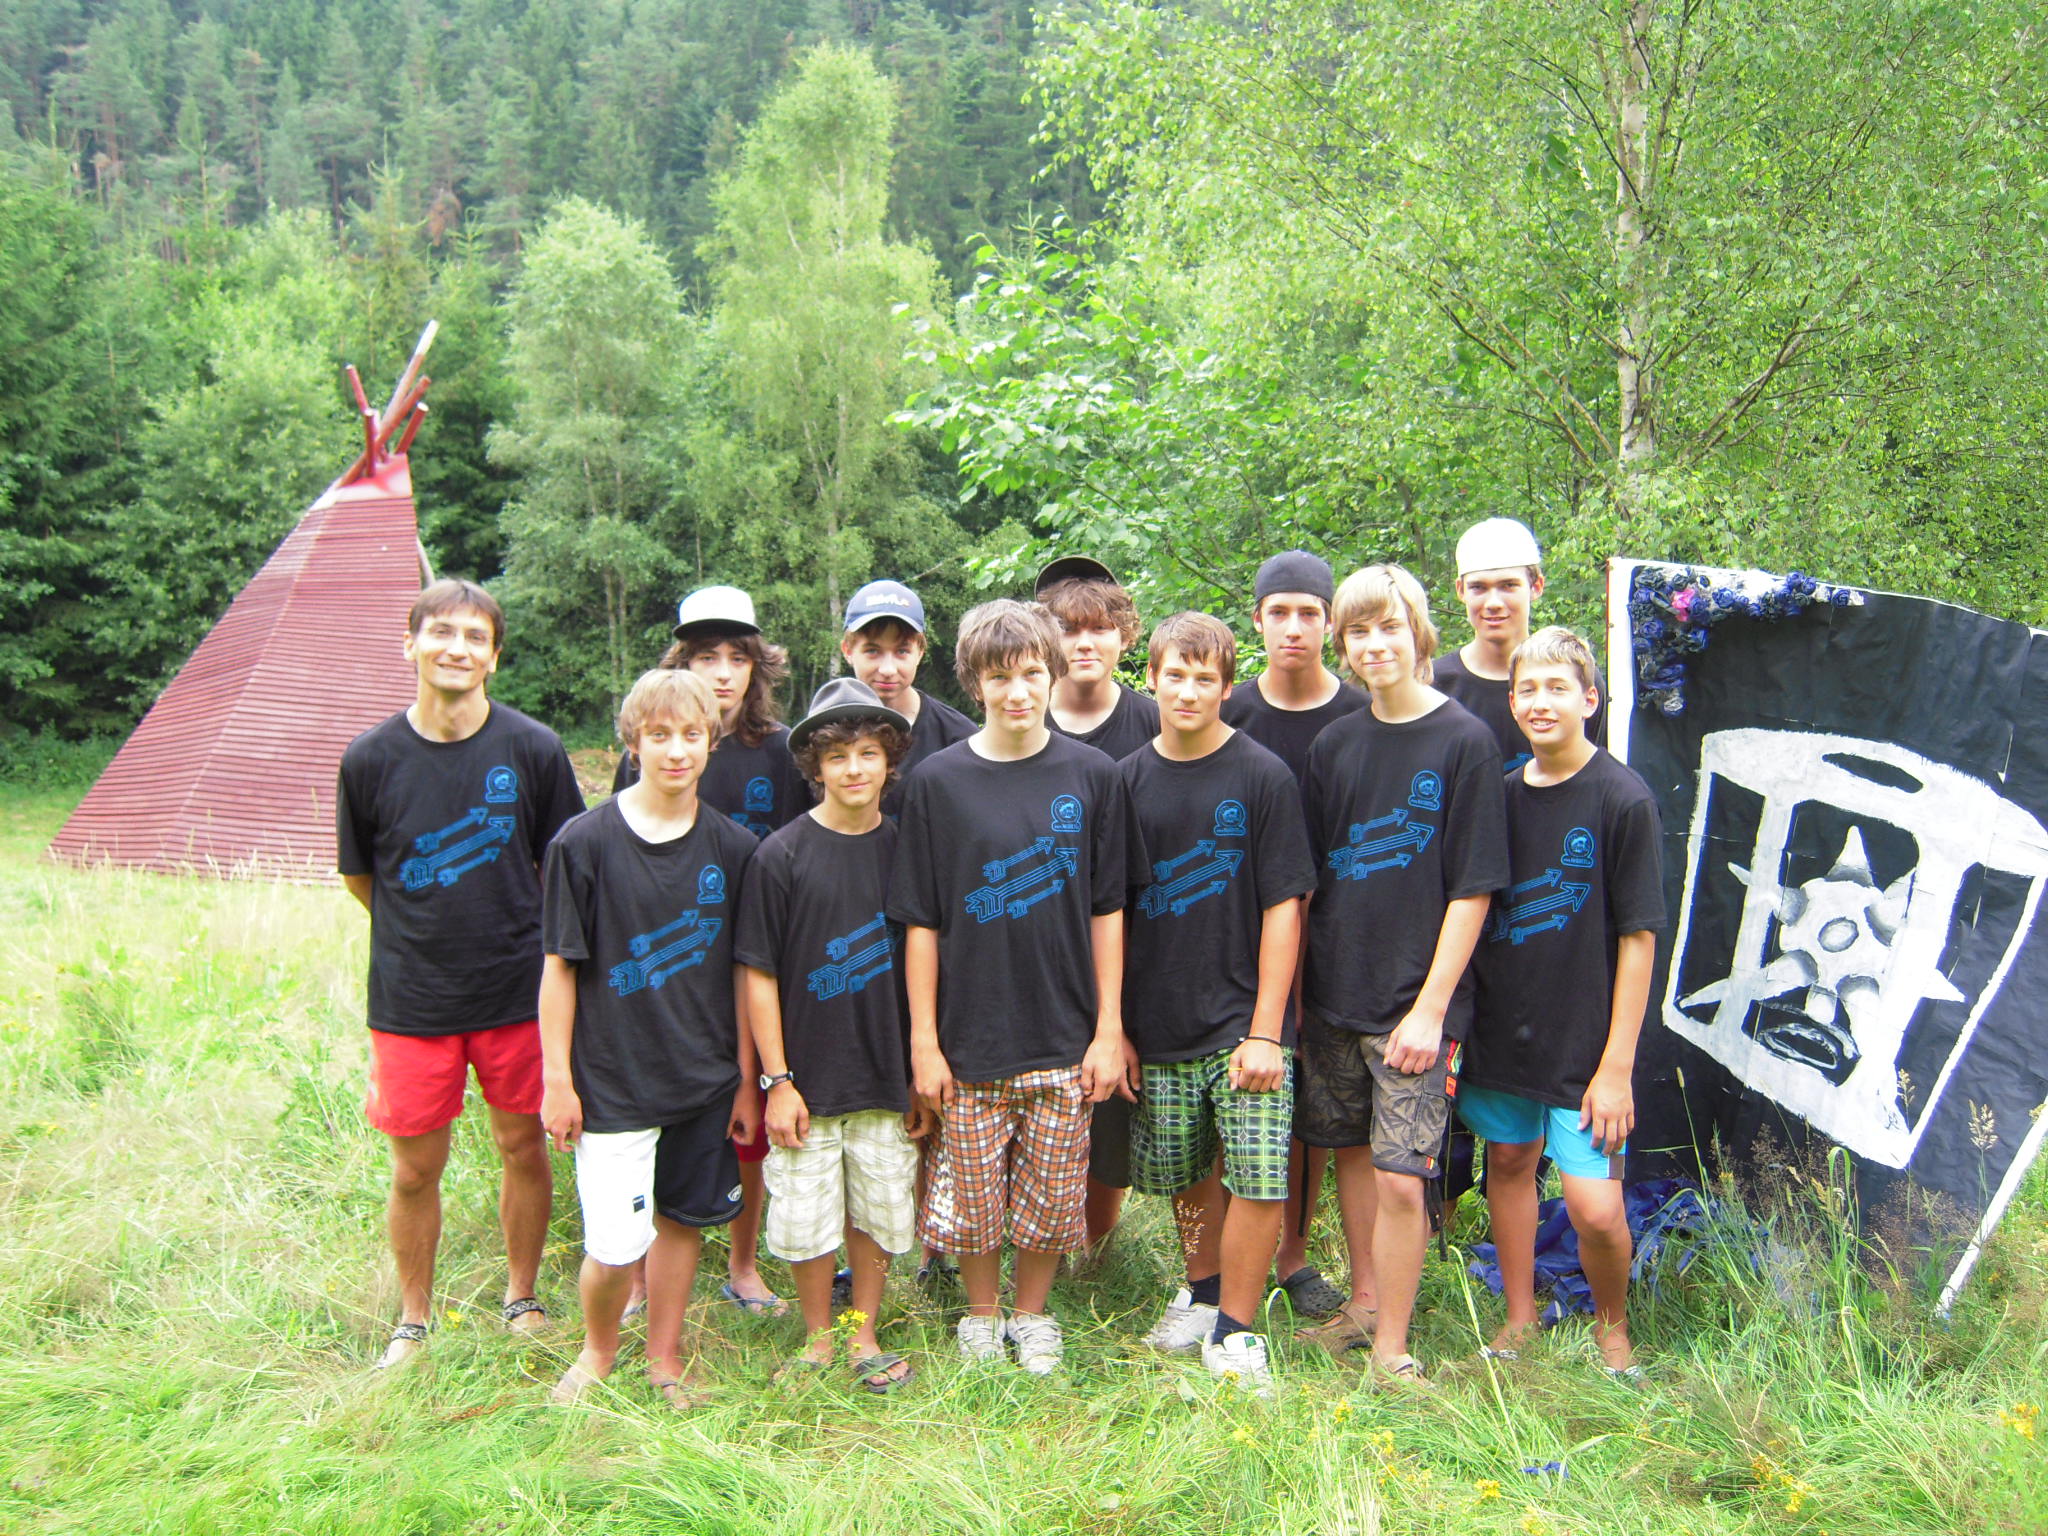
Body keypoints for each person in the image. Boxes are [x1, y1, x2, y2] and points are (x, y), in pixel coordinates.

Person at [336, 579, 586, 1370]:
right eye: (441, 632)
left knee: (523, 1146)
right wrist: (423, 931)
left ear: (494, 657)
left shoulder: (533, 749)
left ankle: (522, 1295)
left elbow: (565, 866)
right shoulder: (369, 759)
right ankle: (413, 1318)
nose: (457, 648)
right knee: (415, 1168)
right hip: (412, 998)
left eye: (476, 637)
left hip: (517, 990)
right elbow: (362, 878)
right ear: (410, 643)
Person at [887, 599, 1137, 1374]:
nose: (1019, 692)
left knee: (1052, 1190)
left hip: (1064, 1029)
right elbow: (920, 921)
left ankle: (1031, 1315)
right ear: (974, 683)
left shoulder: (1093, 776)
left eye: (1032, 673)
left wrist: (1108, 1028)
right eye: (1000, 678)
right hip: (969, 1035)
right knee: (972, 1191)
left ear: (1053, 673)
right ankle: (980, 1314)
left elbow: (1107, 910)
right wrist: (924, 1043)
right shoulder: (937, 782)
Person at [1297, 564, 1508, 1389]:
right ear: (1343, 645)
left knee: (1400, 1171)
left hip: (1417, 1004)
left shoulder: (1463, 741)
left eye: (1390, 627)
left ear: (1419, 632)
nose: (1375, 645)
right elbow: (1315, 876)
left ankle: (1393, 1347)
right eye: (1358, 632)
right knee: (1354, 1154)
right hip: (1336, 994)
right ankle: (1363, 1305)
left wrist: (1430, 1009)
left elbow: (1474, 887)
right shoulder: (1335, 744)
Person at [538, 668, 762, 1408]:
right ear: (633, 743)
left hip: (702, 1079)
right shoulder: (583, 843)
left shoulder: (734, 849)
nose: (676, 750)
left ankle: (665, 1359)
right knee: (614, 1246)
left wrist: (744, 1080)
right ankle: (598, 1351)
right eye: (659, 735)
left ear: (711, 742)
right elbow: (560, 970)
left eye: (691, 735)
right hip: (612, 1080)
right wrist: (558, 1081)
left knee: (681, 1224)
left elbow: (742, 974)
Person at [1120, 613, 1315, 1396]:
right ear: (1152, 680)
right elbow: (1110, 911)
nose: (1189, 690)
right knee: (1184, 1168)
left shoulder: (1263, 776)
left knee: (1260, 1173)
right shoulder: (1126, 781)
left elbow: (1284, 905)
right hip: (1159, 1019)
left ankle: (1236, 1329)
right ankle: (1202, 1292)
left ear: (1228, 687)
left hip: (1247, 1025)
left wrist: (1267, 1028)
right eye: (1175, 675)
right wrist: (1116, 1027)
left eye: (1206, 678)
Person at [1462, 627, 1662, 1378]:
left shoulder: (1623, 799)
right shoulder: (1498, 795)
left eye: (1557, 688)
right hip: (1503, 1031)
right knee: (1509, 1162)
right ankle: (1520, 1318)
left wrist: (1617, 1068)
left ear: (1590, 700)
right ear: (1512, 704)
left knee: (1595, 1208)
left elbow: (1638, 939)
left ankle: (1614, 1330)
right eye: (1527, 690)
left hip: (1586, 1047)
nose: (1541, 703)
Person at [612, 583, 802, 1315]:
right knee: (653, 1120)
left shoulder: (781, 752)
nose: (722, 674)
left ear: (757, 666)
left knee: (746, 1121)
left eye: (736, 658)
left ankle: (744, 1265)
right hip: (667, 964)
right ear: (681, 662)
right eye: (705, 657)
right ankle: (637, 1274)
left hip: (752, 962)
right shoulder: (652, 750)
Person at [738, 678, 930, 1393]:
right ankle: (818, 1336)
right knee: (807, 1213)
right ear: (814, 766)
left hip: (885, 1073)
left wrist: (920, 1069)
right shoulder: (780, 856)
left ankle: (862, 1333)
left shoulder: (908, 849)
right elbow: (758, 974)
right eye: (838, 756)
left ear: (890, 761)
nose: (854, 768)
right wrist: (777, 1080)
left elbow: (929, 960)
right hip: (806, 1080)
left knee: (878, 1208)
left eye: (869, 753)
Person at [1220, 549, 1370, 1326]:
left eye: (1308, 613)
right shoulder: (1233, 711)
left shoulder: (1359, 714)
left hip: (1337, 929)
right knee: (1244, 1084)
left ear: (1329, 622)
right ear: (1257, 620)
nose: (1293, 627)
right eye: (1278, 612)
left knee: (1311, 1095)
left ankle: (1294, 1255)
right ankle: (1224, 1257)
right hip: (1237, 927)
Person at [1035, 556, 1159, 1248]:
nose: (1084, 643)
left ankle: (1096, 1249)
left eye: (1100, 628)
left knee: (1110, 1112)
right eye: (1068, 629)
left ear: (1124, 636)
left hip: (1134, 945)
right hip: (1037, 948)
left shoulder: (1155, 721)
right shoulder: (1016, 716)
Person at [1434, 518, 1608, 771]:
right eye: (1479, 587)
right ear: (1461, 591)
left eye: (1508, 586)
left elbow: (1597, 776)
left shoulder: (1575, 680)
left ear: (1536, 586)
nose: (1493, 603)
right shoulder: (1434, 685)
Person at [837, 579, 976, 818]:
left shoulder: (959, 739)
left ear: (920, 652)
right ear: (848, 651)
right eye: (872, 651)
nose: (888, 669)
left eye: (902, 651)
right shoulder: (822, 735)